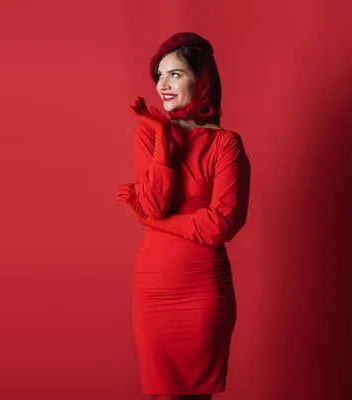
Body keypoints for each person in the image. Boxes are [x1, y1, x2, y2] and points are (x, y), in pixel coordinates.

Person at [116, 32, 251, 400]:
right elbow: (156, 202)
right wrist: (162, 134)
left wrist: (155, 223)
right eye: (159, 77)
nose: (163, 85)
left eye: (174, 74)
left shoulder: (226, 143)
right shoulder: (149, 134)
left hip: (203, 291)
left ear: (201, 78)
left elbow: (220, 225)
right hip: (154, 289)